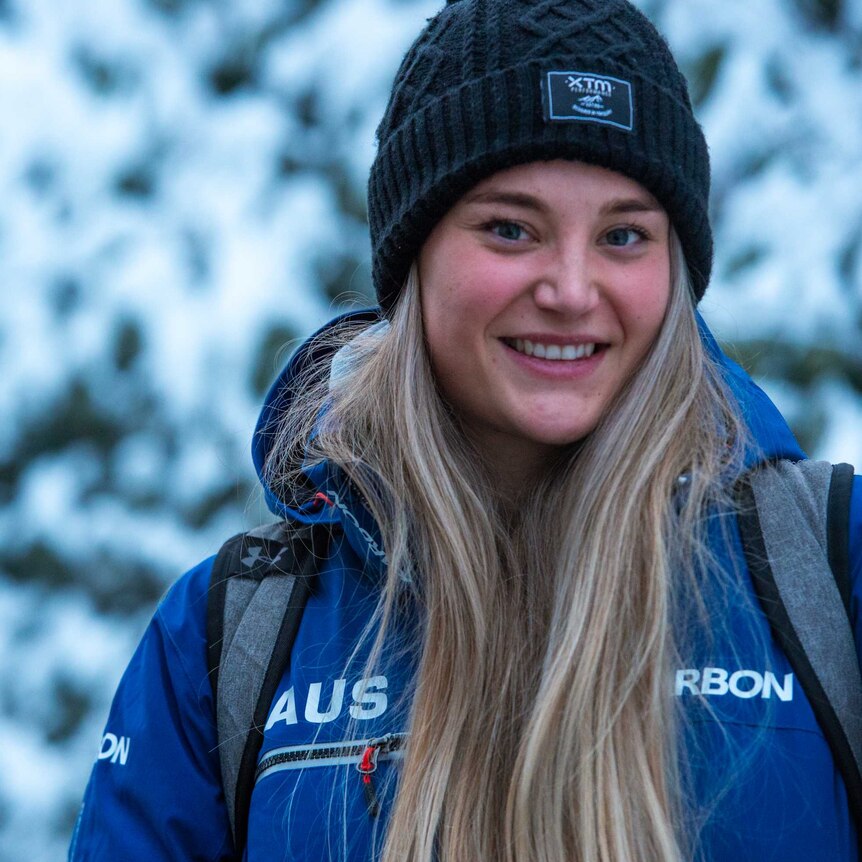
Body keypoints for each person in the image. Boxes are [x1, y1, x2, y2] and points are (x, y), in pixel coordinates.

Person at [68, 0, 862, 860]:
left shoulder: (829, 567)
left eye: (624, 235)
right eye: (510, 229)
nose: (570, 287)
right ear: (415, 260)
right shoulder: (231, 636)